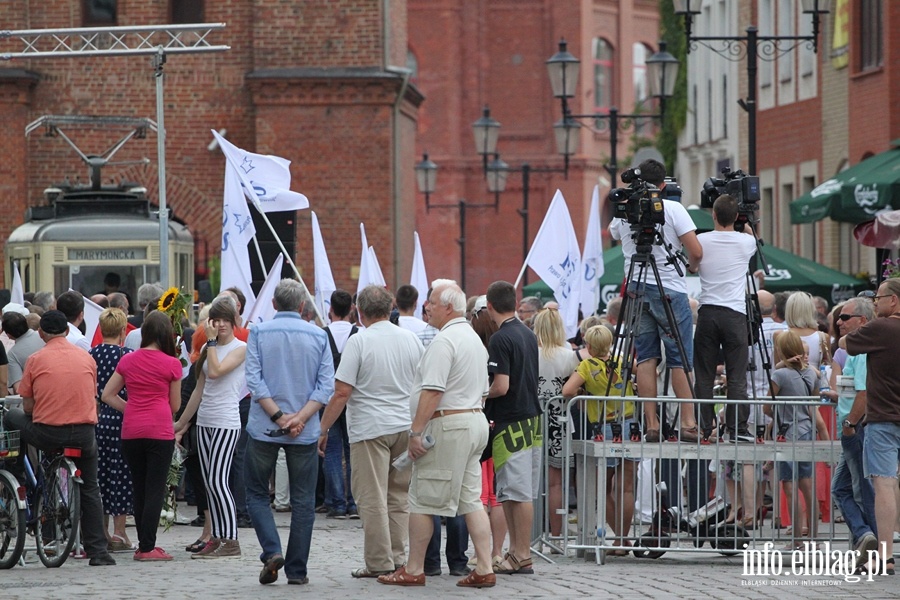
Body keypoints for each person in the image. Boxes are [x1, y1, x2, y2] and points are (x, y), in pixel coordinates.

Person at [377, 279, 496, 589]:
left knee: (421, 499)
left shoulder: (445, 341)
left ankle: (414, 568)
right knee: (470, 499)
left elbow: (432, 390)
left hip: (449, 425)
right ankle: (484, 565)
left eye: (431, 302)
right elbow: (482, 390)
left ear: (447, 307)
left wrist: (416, 432)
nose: (426, 306)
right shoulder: (471, 338)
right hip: (473, 421)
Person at [317, 285, 423, 578]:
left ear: (359, 313)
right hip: (404, 425)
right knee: (399, 496)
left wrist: (323, 427)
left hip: (370, 428)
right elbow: (422, 383)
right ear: (390, 308)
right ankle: (399, 556)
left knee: (371, 496)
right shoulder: (411, 339)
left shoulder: (360, 341)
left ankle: (379, 560)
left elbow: (341, 392)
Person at [2, 310, 117, 566]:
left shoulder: (36, 359)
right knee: (91, 488)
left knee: (12, 418)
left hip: (48, 434)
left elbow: (29, 408)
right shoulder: (86, 358)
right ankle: (98, 551)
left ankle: (16, 473)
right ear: (67, 331)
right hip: (85, 434)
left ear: (41, 334)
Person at [246, 279, 335, 586]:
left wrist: (280, 417)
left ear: (274, 304)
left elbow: (254, 382)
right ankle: (297, 570)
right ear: (302, 307)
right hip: (304, 428)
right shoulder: (318, 335)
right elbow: (326, 386)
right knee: (303, 500)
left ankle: (271, 550)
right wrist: (299, 418)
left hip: (265, 426)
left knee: (256, 492)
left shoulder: (258, 332)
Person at [609, 158, 702, 443]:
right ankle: (687, 423)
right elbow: (695, 250)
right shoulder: (673, 208)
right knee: (680, 358)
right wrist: (693, 268)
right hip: (668, 289)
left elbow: (614, 233)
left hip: (636, 286)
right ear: (664, 184)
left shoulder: (624, 211)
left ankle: (651, 423)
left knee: (646, 356)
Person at [101, 310, 183, 561]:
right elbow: (175, 405)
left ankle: (142, 544)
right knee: (155, 489)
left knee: (138, 487)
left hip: (131, 430)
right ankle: (147, 546)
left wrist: (132, 408)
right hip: (159, 430)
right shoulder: (172, 363)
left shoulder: (128, 360)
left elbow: (107, 394)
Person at [175, 299, 247, 559]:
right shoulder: (208, 346)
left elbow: (217, 372)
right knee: (209, 483)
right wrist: (182, 423)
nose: (220, 325)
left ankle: (231, 539)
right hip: (204, 419)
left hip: (226, 421)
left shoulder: (241, 348)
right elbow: (199, 388)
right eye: (215, 320)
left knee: (218, 481)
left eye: (225, 320)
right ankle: (217, 536)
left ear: (233, 322)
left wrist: (213, 343)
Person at [562, 325, 637, 554]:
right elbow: (645, 373)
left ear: (590, 346)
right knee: (626, 487)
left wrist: (584, 394)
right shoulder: (622, 359)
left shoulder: (587, 365)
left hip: (605, 426)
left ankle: (621, 540)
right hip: (630, 421)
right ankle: (623, 539)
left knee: (603, 487)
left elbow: (566, 391)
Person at [843, 277, 900, 576]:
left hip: (884, 418)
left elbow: (845, 344)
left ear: (894, 300)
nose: (875, 302)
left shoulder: (882, 328)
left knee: (885, 484)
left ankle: (886, 556)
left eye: (878, 297)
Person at [484, 280, 540, 575]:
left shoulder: (500, 338)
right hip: (532, 418)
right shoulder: (528, 333)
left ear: (489, 306)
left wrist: (481, 392)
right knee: (517, 491)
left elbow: (501, 386)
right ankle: (518, 552)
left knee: (516, 492)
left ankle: (521, 553)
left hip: (512, 421)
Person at [693, 195, 758, 442]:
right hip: (735, 314)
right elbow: (752, 234)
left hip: (708, 311)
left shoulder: (701, 240)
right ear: (736, 217)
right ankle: (737, 428)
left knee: (704, 375)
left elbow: (693, 262)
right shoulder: (746, 242)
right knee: (737, 375)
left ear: (713, 215)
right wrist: (745, 222)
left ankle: (704, 427)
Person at [766, 330, 829, 551]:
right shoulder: (811, 375)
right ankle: (814, 536)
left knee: (790, 487)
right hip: (806, 430)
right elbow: (814, 405)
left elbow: (767, 406)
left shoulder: (779, 376)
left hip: (786, 433)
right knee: (807, 485)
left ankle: (796, 540)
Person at [831, 297, 878, 560]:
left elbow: (864, 392)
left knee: (862, 490)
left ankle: (871, 543)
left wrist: (850, 423)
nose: (839, 321)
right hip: (853, 425)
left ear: (862, 320)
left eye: (845, 317)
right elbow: (853, 389)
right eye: (839, 316)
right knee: (845, 489)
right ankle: (866, 537)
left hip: (856, 427)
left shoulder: (862, 351)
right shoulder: (854, 350)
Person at [90, 308, 135, 553]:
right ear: (122, 331)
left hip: (96, 419)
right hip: (121, 418)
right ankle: (120, 533)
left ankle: (102, 531)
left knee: (99, 475)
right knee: (121, 474)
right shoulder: (127, 355)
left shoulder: (90, 355)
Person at [533, 307, 579, 539]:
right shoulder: (568, 355)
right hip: (559, 421)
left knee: (530, 479)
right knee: (556, 483)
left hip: (533, 420)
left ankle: (531, 531)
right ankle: (556, 532)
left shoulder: (530, 353)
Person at [322, 289, 358, 519]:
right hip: (354, 399)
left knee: (332, 451)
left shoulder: (321, 334)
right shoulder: (359, 334)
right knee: (352, 450)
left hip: (329, 398)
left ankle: (337, 503)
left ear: (330, 310)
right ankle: (354, 502)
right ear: (351, 310)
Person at [3, 309, 44, 394]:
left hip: (37, 395)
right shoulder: (43, 336)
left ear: (8, 335)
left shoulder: (12, 354)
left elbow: (19, 388)